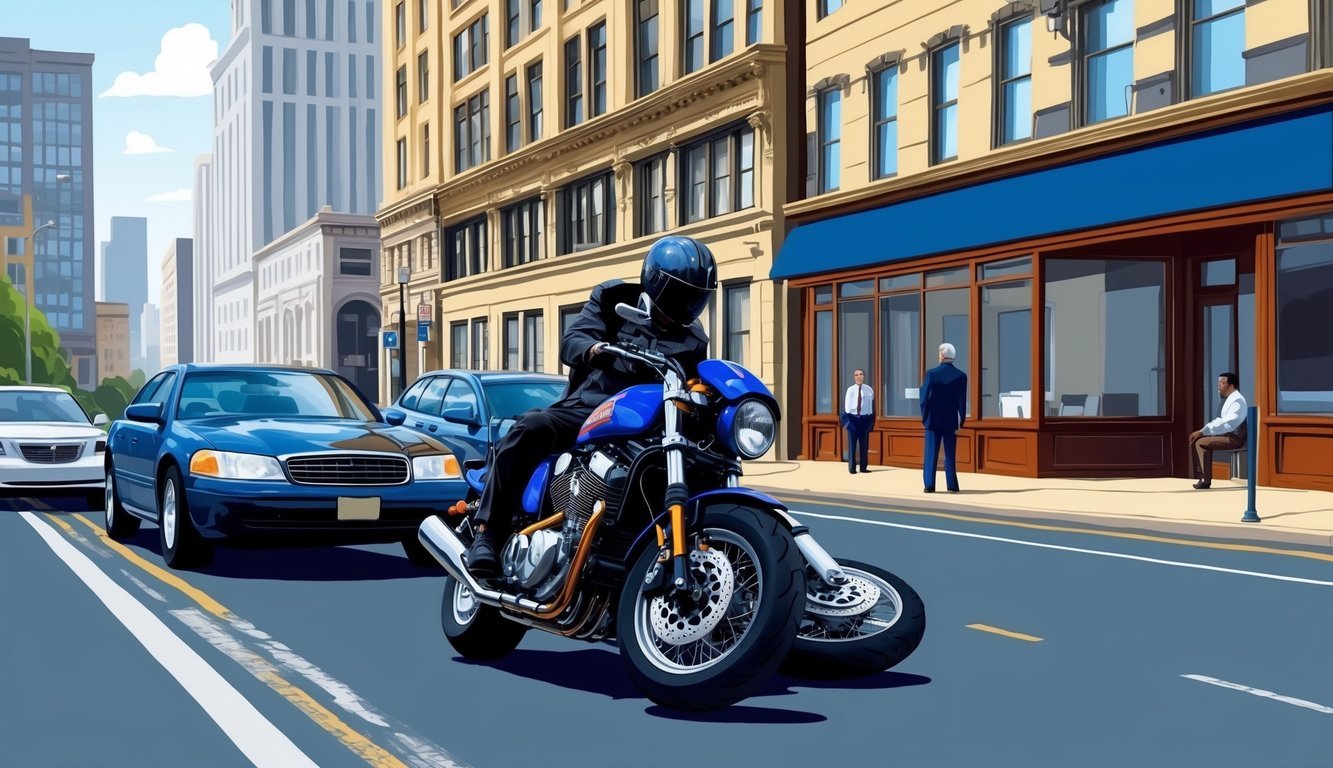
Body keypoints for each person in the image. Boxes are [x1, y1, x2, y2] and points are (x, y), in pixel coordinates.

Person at [464, 236, 716, 575]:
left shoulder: (694, 338)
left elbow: (693, 384)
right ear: (657, 282)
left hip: (650, 422)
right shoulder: (614, 300)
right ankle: (488, 533)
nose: (687, 305)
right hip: (592, 408)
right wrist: (593, 349)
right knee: (531, 427)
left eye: (695, 297)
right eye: (681, 294)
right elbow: (573, 340)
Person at [920, 342, 966, 494]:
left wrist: (925, 417)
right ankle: (952, 484)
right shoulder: (961, 376)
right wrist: (962, 419)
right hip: (951, 420)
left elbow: (923, 398)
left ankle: (929, 485)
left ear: (941, 354)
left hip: (933, 420)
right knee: (950, 454)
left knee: (931, 454)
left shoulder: (932, 374)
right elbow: (961, 400)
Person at [1189, 372, 1247, 490]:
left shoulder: (1237, 401)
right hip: (1229, 435)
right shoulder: (1229, 399)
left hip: (1234, 438)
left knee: (1200, 442)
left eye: (1223, 383)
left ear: (1231, 386)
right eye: (1219, 383)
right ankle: (1204, 478)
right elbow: (1221, 420)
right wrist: (1204, 430)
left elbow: (1227, 423)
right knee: (1199, 440)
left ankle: (1205, 479)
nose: (1219, 386)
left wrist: (1203, 431)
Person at [842, 369, 874, 474]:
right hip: (853, 418)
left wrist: (869, 418)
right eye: (856, 375)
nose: (859, 377)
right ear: (854, 377)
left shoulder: (869, 389)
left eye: (861, 375)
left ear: (864, 376)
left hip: (864, 419)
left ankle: (863, 467)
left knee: (864, 444)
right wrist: (849, 419)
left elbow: (870, 404)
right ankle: (852, 468)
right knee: (852, 443)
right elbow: (847, 407)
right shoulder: (850, 390)